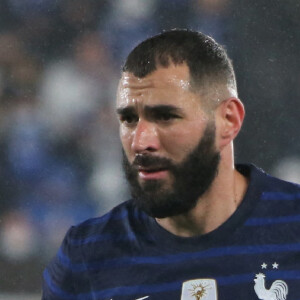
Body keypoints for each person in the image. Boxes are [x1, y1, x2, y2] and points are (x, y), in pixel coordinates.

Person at [42, 29, 300, 300]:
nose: (141, 141)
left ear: (228, 120)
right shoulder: (85, 258)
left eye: (165, 116)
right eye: (129, 119)